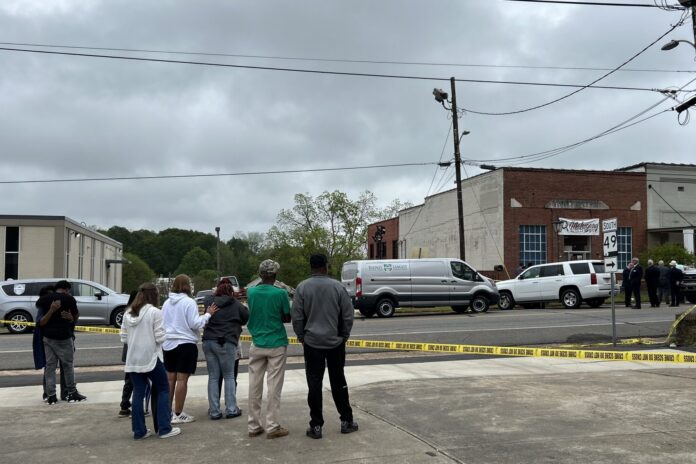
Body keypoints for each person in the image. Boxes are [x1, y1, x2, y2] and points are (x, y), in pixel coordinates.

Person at [292, 254, 358, 440]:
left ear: (311, 267)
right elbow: (348, 314)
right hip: (335, 343)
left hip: (312, 343)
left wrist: (302, 336)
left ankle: (316, 425)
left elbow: (297, 316)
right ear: (326, 267)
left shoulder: (302, 288)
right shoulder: (337, 287)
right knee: (338, 381)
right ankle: (346, 420)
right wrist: (344, 334)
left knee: (314, 383)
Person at [120, 282, 180, 440]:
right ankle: (164, 428)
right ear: (154, 295)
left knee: (138, 392)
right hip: (151, 357)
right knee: (163, 389)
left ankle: (139, 431)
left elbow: (123, 338)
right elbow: (160, 337)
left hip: (133, 359)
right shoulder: (155, 312)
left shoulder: (127, 314)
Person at [162, 274, 218, 424]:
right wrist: (207, 315)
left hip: (168, 344)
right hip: (185, 343)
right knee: (182, 380)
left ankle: (166, 412)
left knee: (169, 379)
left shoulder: (166, 303)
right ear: (188, 286)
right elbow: (195, 324)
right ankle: (179, 413)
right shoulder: (189, 302)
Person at [246, 260, 291, 439]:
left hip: (257, 342)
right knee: (274, 387)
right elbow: (287, 317)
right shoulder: (280, 293)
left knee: (254, 385)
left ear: (260, 274)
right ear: (275, 275)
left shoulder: (251, 292)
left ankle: (253, 425)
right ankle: (272, 426)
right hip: (276, 342)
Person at [202, 278, 249, 420]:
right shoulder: (236, 304)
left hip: (208, 341)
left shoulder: (210, 301)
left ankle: (214, 411)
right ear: (231, 293)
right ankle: (231, 409)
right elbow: (245, 317)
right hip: (226, 342)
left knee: (213, 377)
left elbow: (207, 299)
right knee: (229, 376)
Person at [38, 280, 86, 404]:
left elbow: (41, 323)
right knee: (68, 366)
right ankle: (71, 393)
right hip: (64, 337)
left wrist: (51, 310)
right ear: (66, 289)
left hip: (48, 338)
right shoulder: (69, 299)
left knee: (50, 367)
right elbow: (75, 317)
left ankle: (51, 395)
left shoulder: (45, 299)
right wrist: (71, 318)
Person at [32, 285, 67, 402]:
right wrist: (51, 310)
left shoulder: (62, 305)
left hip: (62, 338)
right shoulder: (43, 308)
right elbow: (41, 322)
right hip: (46, 339)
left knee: (65, 365)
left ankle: (66, 392)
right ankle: (48, 392)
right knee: (49, 366)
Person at [119, 291, 151, 418]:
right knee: (140, 382)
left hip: (128, 350)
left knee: (129, 379)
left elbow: (124, 334)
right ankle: (140, 407)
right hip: (140, 351)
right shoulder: (142, 312)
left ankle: (124, 404)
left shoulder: (127, 312)